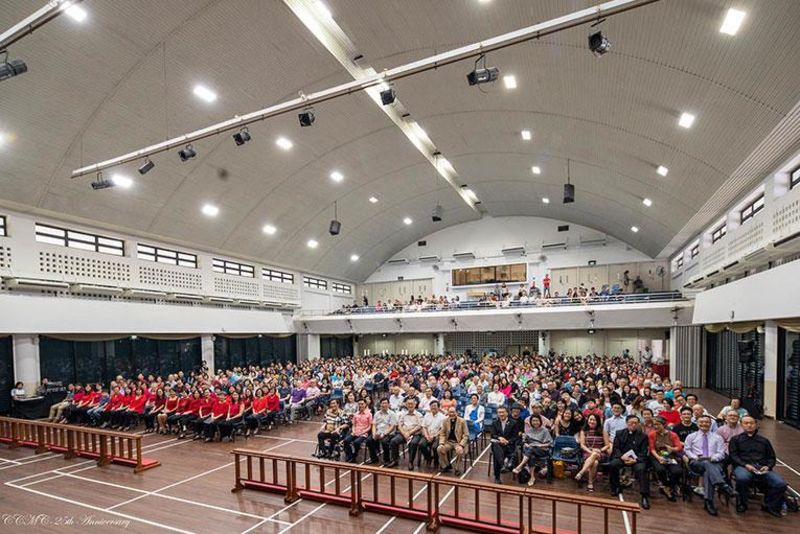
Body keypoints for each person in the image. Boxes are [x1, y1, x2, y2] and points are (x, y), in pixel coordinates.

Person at [729, 415, 787, 517]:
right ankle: (742, 503)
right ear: (741, 425)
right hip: (743, 466)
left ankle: (769, 504)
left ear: (756, 425)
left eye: (751, 423)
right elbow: (733, 456)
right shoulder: (735, 439)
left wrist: (768, 466)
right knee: (742, 479)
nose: (749, 425)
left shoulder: (764, 441)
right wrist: (745, 465)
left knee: (780, 484)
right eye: (746, 423)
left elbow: (771, 458)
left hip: (762, 467)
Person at [684, 415, 736, 516]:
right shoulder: (691, 436)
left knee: (708, 469)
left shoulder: (717, 437)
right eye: (701, 422)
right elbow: (687, 450)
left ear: (710, 424)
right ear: (698, 424)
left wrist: (712, 458)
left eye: (707, 422)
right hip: (696, 462)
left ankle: (709, 502)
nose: (704, 424)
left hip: (713, 462)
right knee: (708, 466)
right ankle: (722, 485)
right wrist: (695, 457)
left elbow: (721, 453)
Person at [608, 415, 651, 509]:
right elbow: (616, 448)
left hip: (636, 460)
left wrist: (635, 460)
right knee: (613, 465)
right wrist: (622, 457)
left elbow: (644, 452)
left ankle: (644, 496)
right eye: (631, 422)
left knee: (642, 469)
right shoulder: (619, 433)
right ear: (627, 423)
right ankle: (615, 487)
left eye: (636, 423)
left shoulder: (643, 436)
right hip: (622, 457)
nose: (633, 425)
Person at [648, 416, 683, 501]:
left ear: (664, 425)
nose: (655, 426)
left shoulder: (672, 435)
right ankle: (666, 487)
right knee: (660, 470)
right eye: (654, 425)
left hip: (670, 456)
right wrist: (659, 458)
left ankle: (670, 486)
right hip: (656, 456)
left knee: (677, 471)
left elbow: (679, 447)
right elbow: (652, 448)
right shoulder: (652, 434)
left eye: (658, 424)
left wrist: (672, 449)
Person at [512, 414, 552, 486]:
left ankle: (520, 466)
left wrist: (539, 445)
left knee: (532, 448)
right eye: (533, 421)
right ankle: (532, 477)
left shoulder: (545, 430)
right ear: (531, 422)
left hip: (542, 450)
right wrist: (525, 444)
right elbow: (524, 441)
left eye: (537, 420)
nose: (535, 422)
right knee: (531, 456)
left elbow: (549, 443)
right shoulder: (530, 430)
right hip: (530, 451)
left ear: (540, 421)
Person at [575, 413, 610, 492]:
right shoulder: (583, 431)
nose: (592, 421)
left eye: (594, 420)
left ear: (597, 421)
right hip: (588, 452)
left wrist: (600, 450)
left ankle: (581, 472)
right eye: (590, 419)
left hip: (600, 453)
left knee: (595, 455)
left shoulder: (603, 431)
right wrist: (590, 451)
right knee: (595, 463)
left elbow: (607, 445)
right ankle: (590, 483)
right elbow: (582, 445)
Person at [490, 406, 522, 484]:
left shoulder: (514, 423)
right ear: (497, 414)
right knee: (496, 446)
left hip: (509, 446)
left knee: (497, 455)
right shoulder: (494, 423)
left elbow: (516, 437)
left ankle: (499, 472)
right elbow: (493, 435)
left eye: (503, 412)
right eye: (499, 412)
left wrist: (507, 441)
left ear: (507, 413)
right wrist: (500, 438)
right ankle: (503, 465)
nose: (501, 414)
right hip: (498, 445)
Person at [438, 406, 468, 476]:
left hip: (458, 442)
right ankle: (446, 465)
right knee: (439, 449)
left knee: (460, 451)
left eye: (453, 412)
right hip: (448, 442)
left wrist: (461, 445)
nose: (452, 414)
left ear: (456, 413)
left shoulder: (462, 421)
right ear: (448, 413)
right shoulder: (445, 421)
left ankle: (457, 468)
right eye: (450, 412)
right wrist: (441, 443)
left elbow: (466, 435)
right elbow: (442, 433)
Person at [366, 398, 398, 466]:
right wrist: (374, 434)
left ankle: (387, 460)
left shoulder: (392, 414)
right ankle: (374, 458)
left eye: (386, 403)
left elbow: (392, 427)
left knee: (384, 441)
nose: (384, 405)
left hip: (388, 433)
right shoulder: (377, 413)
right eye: (382, 403)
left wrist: (384, 434)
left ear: (389, 404)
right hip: (378, 432)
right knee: (369, 440)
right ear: (380, 404)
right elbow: (374, 425)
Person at [396, 397, 424, 469]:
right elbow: (399, 425)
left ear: (415, 405)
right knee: (394, 441)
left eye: (412, 404)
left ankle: (410, 462)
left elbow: (419, 426)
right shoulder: (403, 414)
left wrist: (409, 433)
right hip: (404, 433)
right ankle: (395, 460)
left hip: (415, 434)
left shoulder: (419, 415)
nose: (410, 405)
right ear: (406, 405)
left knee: (413, 443)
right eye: (408, 404)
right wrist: (404, 433)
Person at [344, 398, 372, 463]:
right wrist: (353, 431)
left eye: (362, 404)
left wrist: (363, 432)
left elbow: (370, 426)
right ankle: (350, 455)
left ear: (365, 404)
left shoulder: (369, 414)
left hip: (363, 433)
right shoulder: (356, 414)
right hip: (355, 432)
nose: (360, 405)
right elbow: (354, 425)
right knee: (346, 441)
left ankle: (354, 456)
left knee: (356, 442)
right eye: (359, 404)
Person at [420, 400, 445, 467]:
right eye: (431, 406)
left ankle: (436, 460)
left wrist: (433, 436)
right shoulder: (427, 415)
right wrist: (427, 436)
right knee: (421, 444)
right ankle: (428, 458)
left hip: (437, 436)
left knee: (435, 447)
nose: (433, 408)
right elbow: (423, 427)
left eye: (435, 406)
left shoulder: (442, 417)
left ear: (438, 407)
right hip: (427, 435)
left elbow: (442, 430)